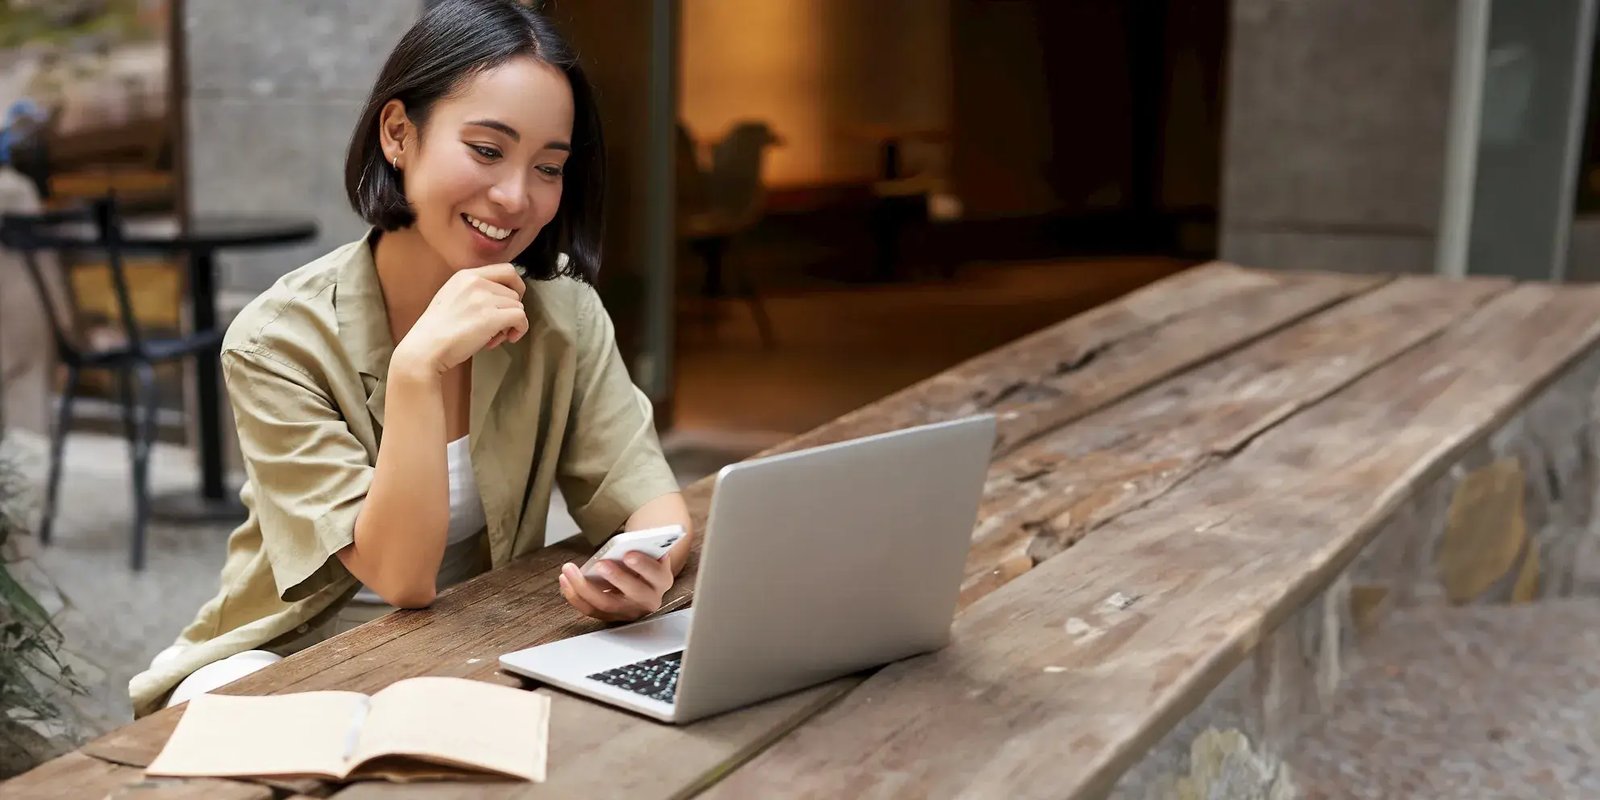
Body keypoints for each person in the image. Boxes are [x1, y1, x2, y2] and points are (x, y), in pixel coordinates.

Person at [129, 0, 690, 718]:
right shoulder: (278, 340)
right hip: (286, 659)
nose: (516, 196)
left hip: (465, 648)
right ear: (399, 134)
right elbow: (400, 575)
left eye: (549, 166)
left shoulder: (562, 315)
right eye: (487, 150)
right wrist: (418, 368)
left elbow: (647, 496)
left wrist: (645, 566)